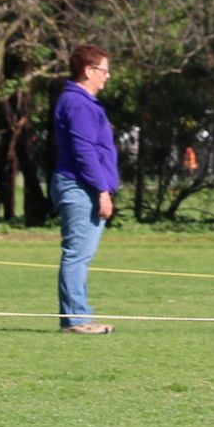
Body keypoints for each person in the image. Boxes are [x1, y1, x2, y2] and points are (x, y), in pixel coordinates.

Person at [52, 45, 119, 335]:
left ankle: (78, 315)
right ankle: (76, 319)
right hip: (80, 187)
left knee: (81, 255)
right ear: (88, 71)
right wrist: (102, 190)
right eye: (104, 70)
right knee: (77, 255)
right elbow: (84, 152)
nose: (107, 76)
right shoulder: (78, 103)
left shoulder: (82, 102)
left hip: (84, 186)